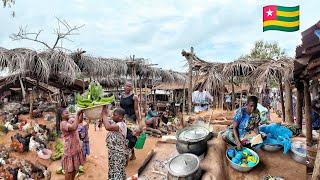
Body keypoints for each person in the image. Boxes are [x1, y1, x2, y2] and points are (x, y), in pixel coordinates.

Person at [101, 106, 128, 180]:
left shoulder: (121, 125)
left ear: (120, 117)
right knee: (114, 169)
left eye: (114, 115)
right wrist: (104, 113)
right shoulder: (115, 122)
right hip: (113, 153)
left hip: (118, 154)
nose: (112, 116)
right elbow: (106, 122)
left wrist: (104, 115)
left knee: (117, 170)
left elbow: (108, 127)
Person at [60, 109, 85, 180]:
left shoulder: (70, 120)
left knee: (74, 169)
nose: (67, 113)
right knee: (69, 170)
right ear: (61, 116)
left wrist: (81, 113)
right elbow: (73, 127)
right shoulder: (63, 123)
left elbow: (80, 121)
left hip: (75, 148)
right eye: (65, 113)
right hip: (69, 149)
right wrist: (77, 114)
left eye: (68, 112)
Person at [120, 81, 142, 160]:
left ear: (131, 88)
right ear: (124, 86)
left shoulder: (134, 97)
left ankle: (127, 154)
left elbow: (136, 110)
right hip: (123, 118)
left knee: (130, 136)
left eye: (129, 86)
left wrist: (139, 122)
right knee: (123, 136)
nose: (128, 87)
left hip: (131, 118)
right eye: (127, 86)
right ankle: (132, 154)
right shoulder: (121, 96)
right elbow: (121, 108)